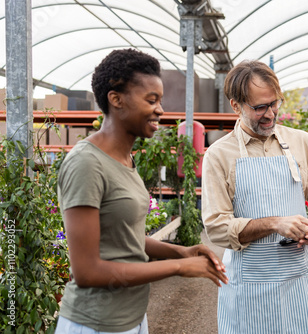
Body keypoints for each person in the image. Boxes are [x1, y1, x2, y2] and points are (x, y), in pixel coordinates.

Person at [55, 48, 228, 334]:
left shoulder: (125, 159)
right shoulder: (86, 164)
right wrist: (178, 268)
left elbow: (127, 237)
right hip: (96, 323)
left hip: (133, 318)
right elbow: (87, 272)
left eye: (160, 100)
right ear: (116, 99)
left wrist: (181, 252)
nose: (160, 109)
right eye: (151, 100)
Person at [201, 60, 308, 333]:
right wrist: (275, 223)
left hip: (298, 281)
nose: (270, 114)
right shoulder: (218, 155)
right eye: (259, 107)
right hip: (249, 289)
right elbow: (216, 227)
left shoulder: (302, 142)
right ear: (236, 106)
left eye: (274, 103)